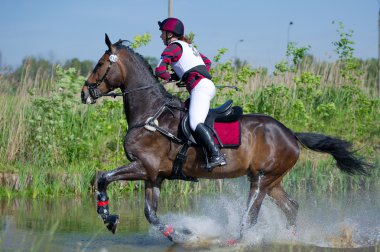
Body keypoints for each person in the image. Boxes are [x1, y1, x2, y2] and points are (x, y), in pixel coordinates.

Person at [155, 17, 226, 170]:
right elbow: (206, 62)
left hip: (200, 88)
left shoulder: (172, 47)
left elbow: (159, 71)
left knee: (194, 122)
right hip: (203, 85)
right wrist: (187, 75)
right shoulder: (188, 46)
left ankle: (216, 155)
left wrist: (171, 78)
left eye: (162, 33)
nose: (160, 36)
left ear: (170, 33)